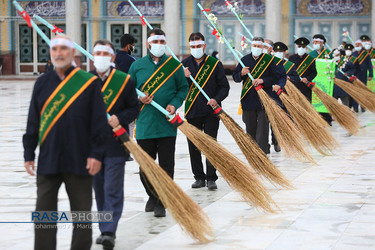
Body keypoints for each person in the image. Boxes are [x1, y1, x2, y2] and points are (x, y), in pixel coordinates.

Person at [23, 35, 109, 250]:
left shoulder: (88, 82)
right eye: (55, 49)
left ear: (72, 53)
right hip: (48, 160)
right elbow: (33, 120)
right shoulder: (42, 83)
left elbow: (99, 123)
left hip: (80, 160)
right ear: (50, 53)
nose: (58, 53)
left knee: (81, 216)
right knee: (44, 216)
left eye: (63, 49)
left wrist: (96, 154)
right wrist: (28, 153)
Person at [128, 28, 188, 217]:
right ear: (148, 44)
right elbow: (127, 92)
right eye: (156, 42)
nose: (159, 46)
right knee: (146, 166)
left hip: (166, 124)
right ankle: (152, 195)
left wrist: (174, 104)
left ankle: (162, 200)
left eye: (162, 42)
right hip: (145, 124)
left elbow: (182, 89)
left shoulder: (174, 66)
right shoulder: (137, 66)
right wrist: (139, 99)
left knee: (166, 166)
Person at [90, 40, 140, 250]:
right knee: (99, 189)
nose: (101, 56)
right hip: (92, 147)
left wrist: (119, 117)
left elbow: (134, 109)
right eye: (97, 53)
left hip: (116, 144)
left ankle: (110, 230)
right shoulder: (86, 81)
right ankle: (104, 227)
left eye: (105, 53)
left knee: (112, 188)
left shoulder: (124, 80)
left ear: (112, 57)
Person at [181, 32, 229, 190]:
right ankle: (199, 177)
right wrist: (185, 77)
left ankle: (211, 178)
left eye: (198, 46)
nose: (196, 49)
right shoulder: (184, 65)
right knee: (194, 145)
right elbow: (179, 89)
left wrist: (216, 99)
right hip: (192, 110)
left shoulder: (214, 64)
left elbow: (224, 86)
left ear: (204, 46)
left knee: (210, 144)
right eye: (193, 46)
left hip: (211, 111)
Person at [232, 36, 283, 154]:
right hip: (248, 99)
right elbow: (235, 77)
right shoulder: (244, 60)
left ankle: (262, 151)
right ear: (251, 46)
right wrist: (241, 73)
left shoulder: (269, 60)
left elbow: (275, 77)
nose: (256, 48)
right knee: (250, 128)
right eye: (254, 46)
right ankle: (252, 151)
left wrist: (263, 80)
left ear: (262, 47)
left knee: (263, 129)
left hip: (264, 99)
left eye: (259, 46)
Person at [263, 39, 287, 153]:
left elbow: (282, 77)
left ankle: (276, 141)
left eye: (265, 45)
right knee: (263, 122)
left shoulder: (275, 61)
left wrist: (279, 85)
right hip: (259, 96)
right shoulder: (256, 60)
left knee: (275, 121)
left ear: (270, 49)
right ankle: (264, 144)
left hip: (273, 95)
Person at [309, 34, 333, 125]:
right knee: (316, 100)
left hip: (326, 81)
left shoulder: (328, 53)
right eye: (314, 42)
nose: (314, 44)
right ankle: (318, 119)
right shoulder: (311, 54)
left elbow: (333, 66)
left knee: (326, 100)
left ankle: (327, 119)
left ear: (322, 43)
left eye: (316, 42)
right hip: (315, 80)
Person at [289, 37, 317, 102]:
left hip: (306, 87)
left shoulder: (310, 59)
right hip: (294, 86)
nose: (301, 48)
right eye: (299, 46)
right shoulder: (291, 58)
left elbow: (314, 73)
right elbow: (289, 72)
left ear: (306, 48)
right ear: (296, 47)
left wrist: (307, 78)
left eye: (303, 47)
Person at [352, 38, 373, 112]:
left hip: (363, 75)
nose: (357, 45)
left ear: (361, 45)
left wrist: (370, 75)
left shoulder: (365, 54)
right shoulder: (353, 54)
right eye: (356, 44)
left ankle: (363, 105)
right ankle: (355, 106)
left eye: (359, 44)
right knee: (355, 91)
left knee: (363, 91)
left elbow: (369, 65)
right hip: (355, 75)